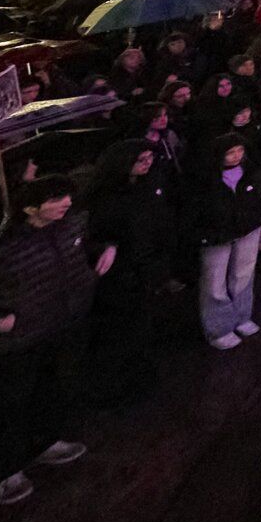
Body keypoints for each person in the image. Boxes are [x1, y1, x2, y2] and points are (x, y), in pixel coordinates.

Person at [0, 175, 113, 505]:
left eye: (67, 196)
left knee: (55, 389)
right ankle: (4, 472)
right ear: (29, 208)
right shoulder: (0, 252)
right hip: (20, 342)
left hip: (63, 328)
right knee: (10, 406)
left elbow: (79, 251)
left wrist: (104, 251)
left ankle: (45, 442)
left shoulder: (70, 228)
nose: (67, 203)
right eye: (56, 199)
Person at [82, 141, 177, 401]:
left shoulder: (146, 188)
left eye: (149, 159)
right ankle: (113, 387)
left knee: (142, 327)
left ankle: (138, 379)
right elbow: (95, 234)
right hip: (120, 274)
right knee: (119, 333)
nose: (147, 164)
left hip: (145, 268)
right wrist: (109, 246)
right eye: (141, 160)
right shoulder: (105, 197)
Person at [185, 133, 261, 350]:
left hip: (246, 230)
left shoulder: (253, 173)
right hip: (216, 235)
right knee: (214, 280)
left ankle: (242, 317)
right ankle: (219, 328)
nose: (236, 156)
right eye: (231, 152)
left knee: (244, 273)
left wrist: (259, 216)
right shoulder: (205, 179)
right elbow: (193, 208)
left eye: (240, 151)